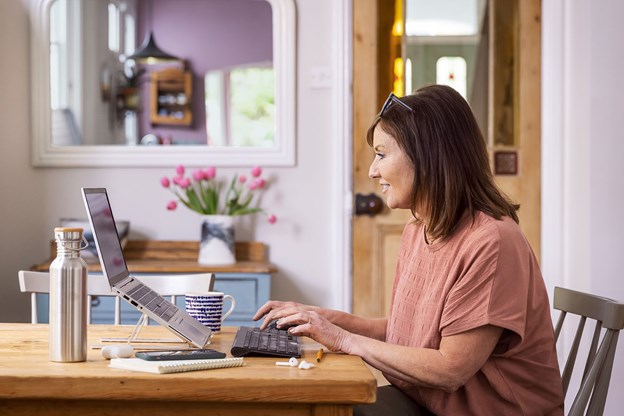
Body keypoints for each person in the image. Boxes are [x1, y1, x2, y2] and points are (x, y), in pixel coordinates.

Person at [253, 84, 564, 415]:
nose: (373, 171)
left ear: (428, 156)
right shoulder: (419, 231)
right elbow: (409, 333)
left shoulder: (492, 242)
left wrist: (345, 339)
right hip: (425, 403)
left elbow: (450, 368)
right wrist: (322, 320)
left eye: (382, 154)